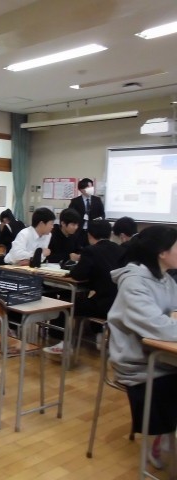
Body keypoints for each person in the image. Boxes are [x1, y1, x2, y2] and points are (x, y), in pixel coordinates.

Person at [108, 225, 177, 473]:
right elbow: (156, 325)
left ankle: (167, 434)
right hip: (138, 362)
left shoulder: (167, 279)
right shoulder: (134, 282)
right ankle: (163, 435)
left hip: (162, 355)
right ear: (162, 252)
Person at [44, 220, 123, 355]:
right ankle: (98, 335)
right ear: (109, 234)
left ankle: (64, 343)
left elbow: (78, 275)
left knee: (65, 304)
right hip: (120, 304)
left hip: (103, 305)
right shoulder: (119, 249)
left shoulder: (91, 250)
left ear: (90, 235)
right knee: (84, 299)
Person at [69, 178, 105, 246]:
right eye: (88, 187)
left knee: (92, 249)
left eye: (91, 186)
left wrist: (97, 220)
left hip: (93, 231)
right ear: (81, 189)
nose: (91, 189)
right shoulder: (75, 201)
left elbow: (102, 214)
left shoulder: (97, 200)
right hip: (79, 231)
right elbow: (70, 215)